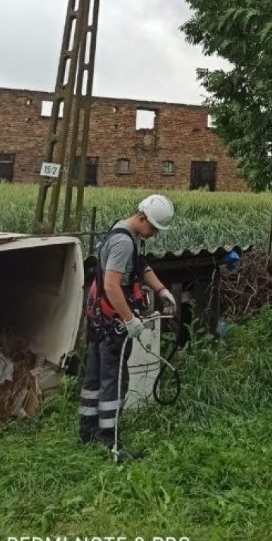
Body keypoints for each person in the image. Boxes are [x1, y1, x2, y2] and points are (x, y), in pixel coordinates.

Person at [78, 194, 177, 458]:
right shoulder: (123, 242)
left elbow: (140, 267)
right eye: (154, 228)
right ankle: (108, 439)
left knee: (95, 376)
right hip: (112, 321)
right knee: (113, 379)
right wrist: (129, 319)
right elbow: (111, 284)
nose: (154, 234)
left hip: (98, 316)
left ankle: (86, 432)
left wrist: (161, 289)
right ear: (142, 217)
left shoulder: (123, 232)